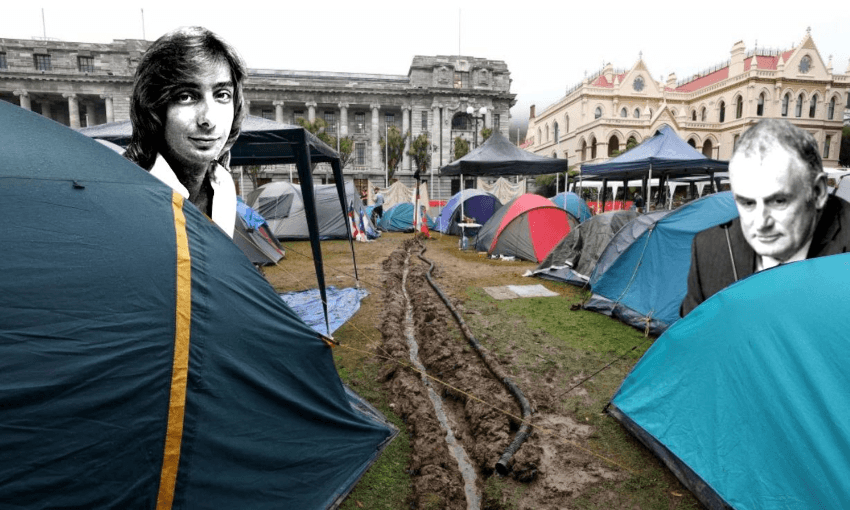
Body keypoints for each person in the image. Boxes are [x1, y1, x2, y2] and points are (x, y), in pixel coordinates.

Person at [681, 119, 850, 317]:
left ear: (818, 191)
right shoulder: (708, 250)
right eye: (747, 203)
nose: (761, 223)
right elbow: (692, 339)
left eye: (778, 201)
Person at [124, 26, 246, 238]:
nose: (208, 119)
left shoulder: (223, 185)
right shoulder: (128, 194)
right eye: (186, 96)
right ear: (154, 107)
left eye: (222, 95)